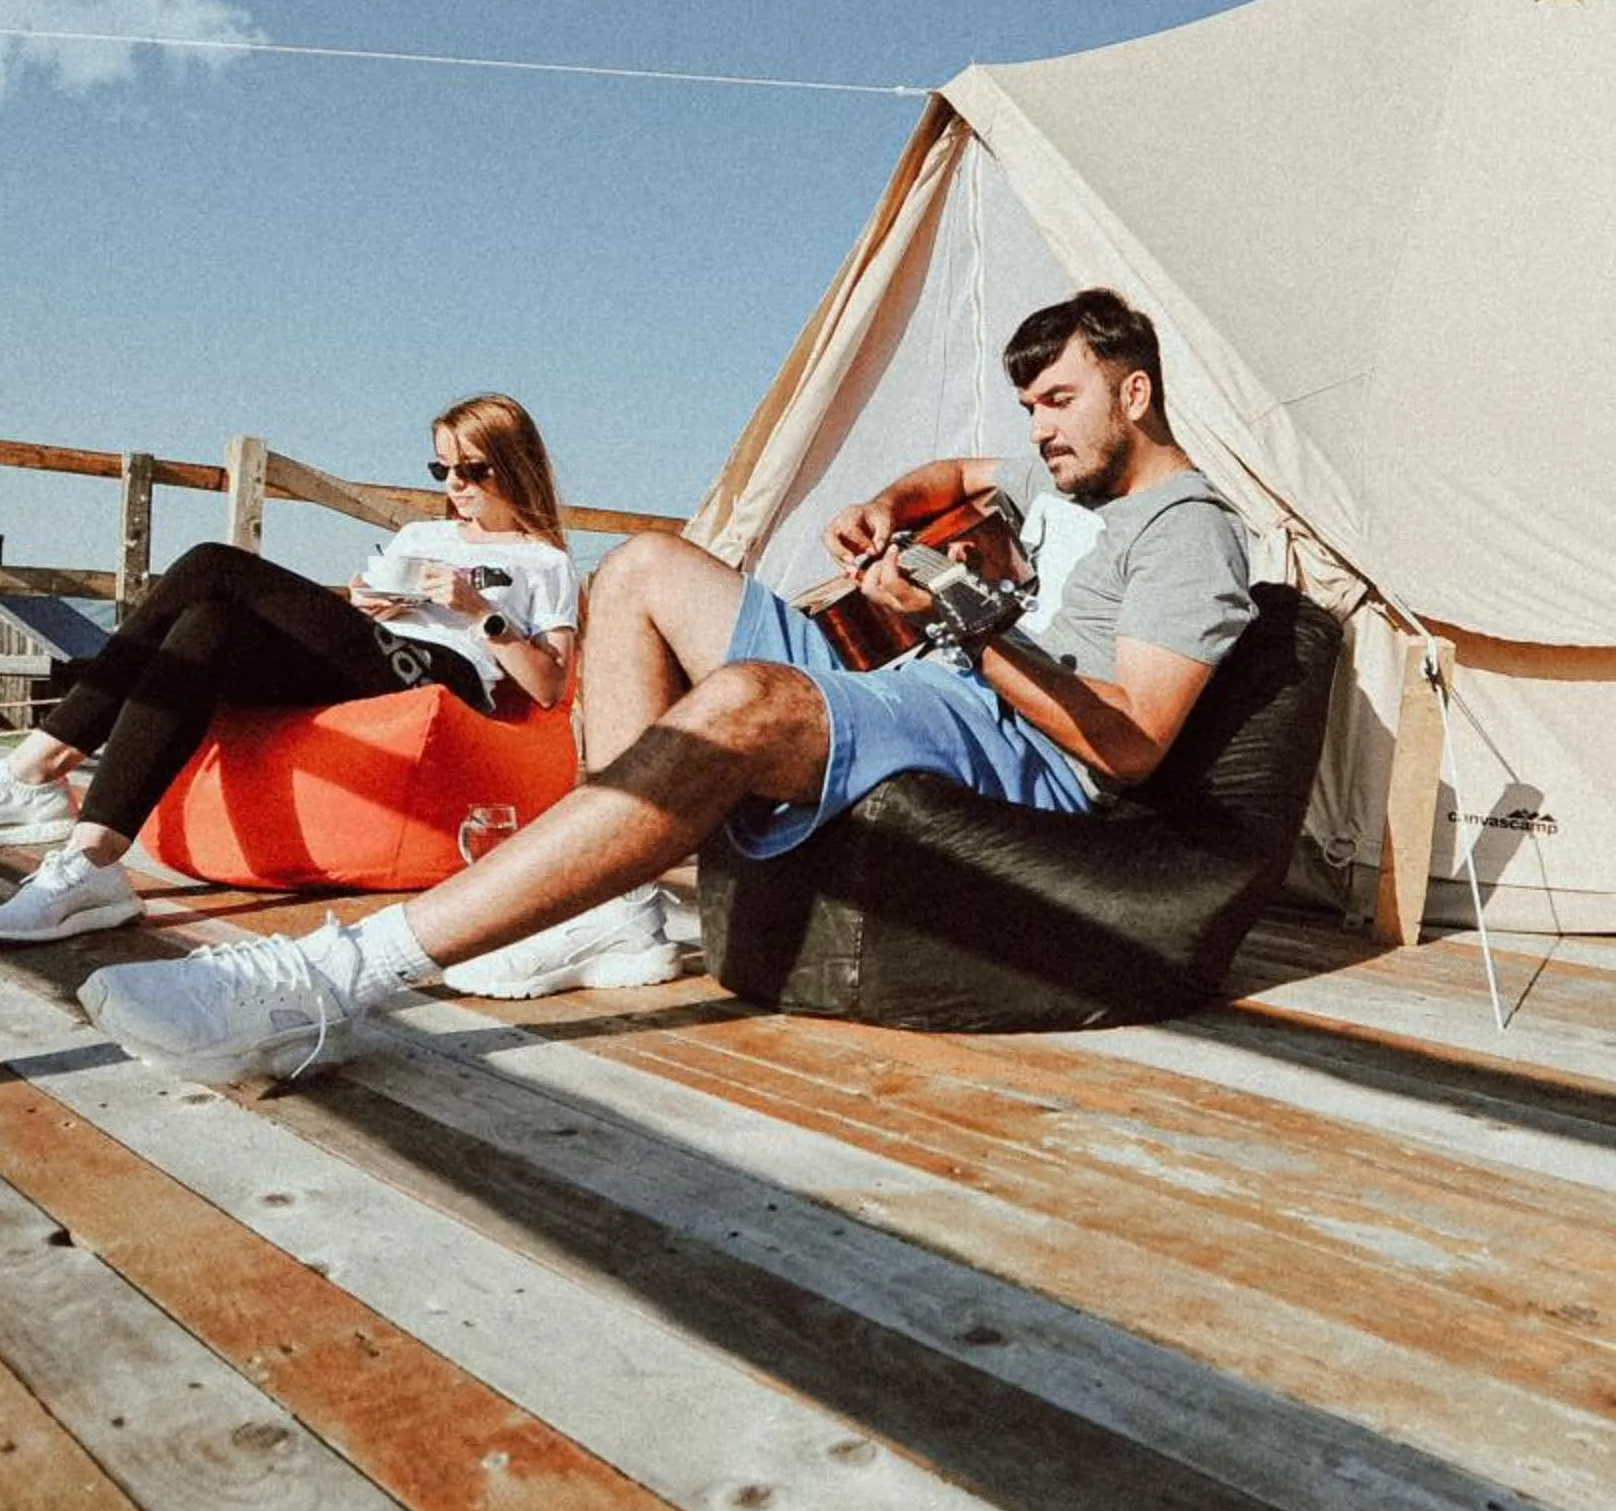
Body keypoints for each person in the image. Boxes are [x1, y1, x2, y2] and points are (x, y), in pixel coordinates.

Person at [79, 288, 1256, 1081]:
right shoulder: (1068, 487)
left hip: (1003, 740)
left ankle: (328, 982)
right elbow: (956, 467)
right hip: (931, 679)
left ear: (1134, 394)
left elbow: (1134, 744)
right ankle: (613, 915)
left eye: (1060, 403)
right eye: (1032, 407)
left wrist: (949, 610)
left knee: (746, 695)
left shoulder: (1188, 529)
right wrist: (891, 510)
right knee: (639, 568)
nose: (1039, 431)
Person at [0, 394, 604, 952]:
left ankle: (33, 772)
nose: (455, 484)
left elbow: (546, 684)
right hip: (376, 651)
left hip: (442, 675)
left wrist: (481, 611)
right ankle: (92, 862)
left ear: (513, 465)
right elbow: (361, 616)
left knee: (210, 565)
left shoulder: (544, 562)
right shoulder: (420, 535)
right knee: (206, 626)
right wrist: (367, 602)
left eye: (472, 469)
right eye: (440, 467)